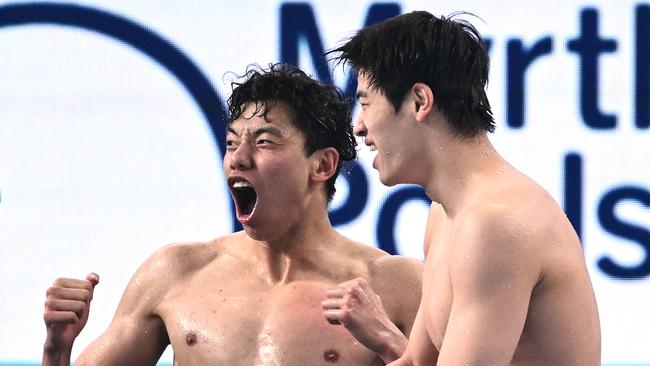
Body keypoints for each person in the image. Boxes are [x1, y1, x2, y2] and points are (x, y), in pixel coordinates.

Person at [42, 64, 422, 366]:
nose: (238, 159)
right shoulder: (175, 273)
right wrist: (57, 350)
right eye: (230, 143)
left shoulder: (396, 287)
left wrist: (391, 344)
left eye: (263, 142)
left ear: (322, 165)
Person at [328, 11, 601, 365]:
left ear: (419, 102)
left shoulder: (494, 225)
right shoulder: (445, 213)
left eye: (365, 104)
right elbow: (415, 363)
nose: (359, 127)